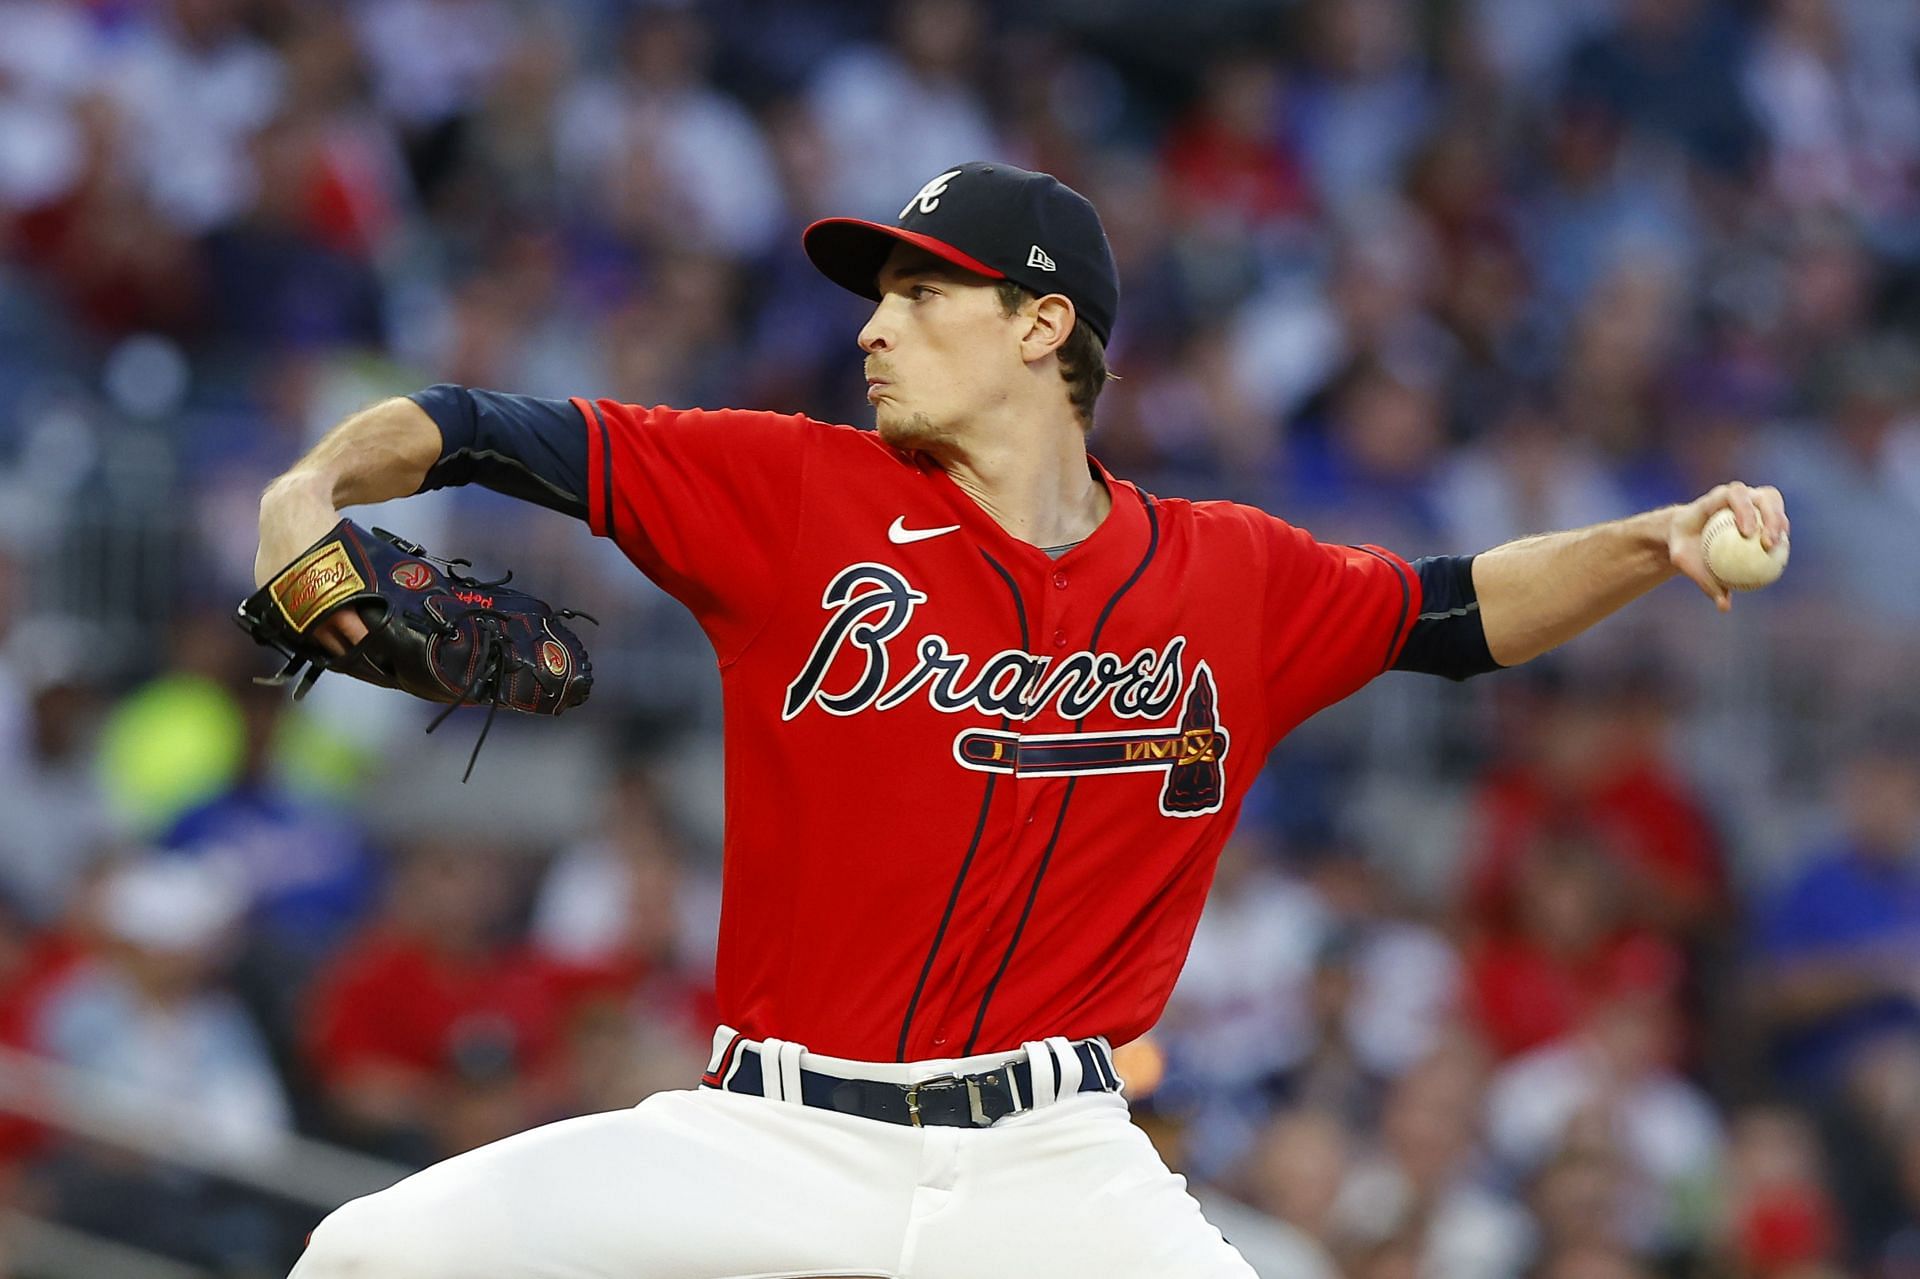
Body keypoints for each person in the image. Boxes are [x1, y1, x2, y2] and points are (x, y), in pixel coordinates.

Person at [254, 160, 1789, 1277]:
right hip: (771, 1138)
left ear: (1046, 326)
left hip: (1055, 1166)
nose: (874, 327)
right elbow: (476, 429)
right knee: (370, 1256)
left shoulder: (1230, 575)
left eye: (921, 293)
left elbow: (1454, 613)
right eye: (878, 297)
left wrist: (1646, 543)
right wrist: (306, 488)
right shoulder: (794, 491)